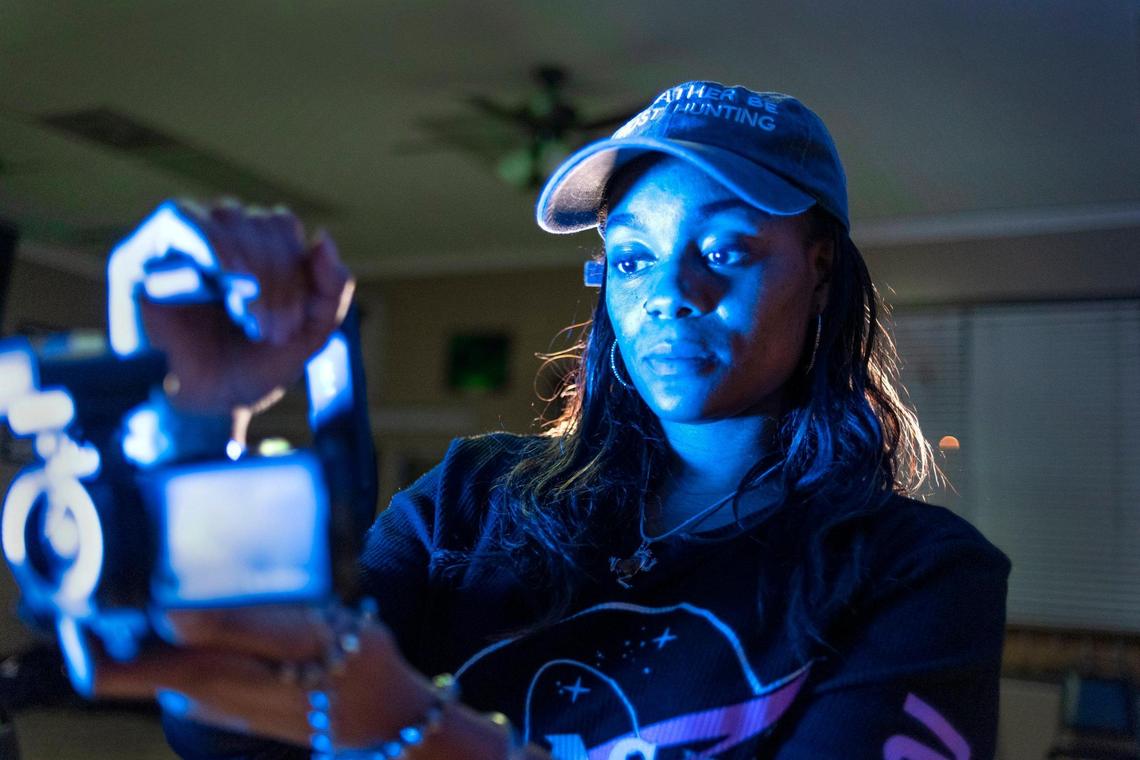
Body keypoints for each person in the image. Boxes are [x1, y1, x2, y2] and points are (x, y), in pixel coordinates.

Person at [93, 81, 1010, 759]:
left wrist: (422, 735)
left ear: (817, 271)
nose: (668, 297)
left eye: (724, 250)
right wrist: (199, 424)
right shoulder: (468, 501)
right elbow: (232, 723)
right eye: (634, 259)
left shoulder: (918, 577)